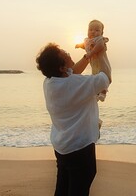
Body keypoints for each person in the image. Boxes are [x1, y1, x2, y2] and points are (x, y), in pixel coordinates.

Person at [36, 43, 110, 196]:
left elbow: (73, 71)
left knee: (63, 187)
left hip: (63, 146)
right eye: (66, 55)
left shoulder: (50, 82)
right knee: (78, 190)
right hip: (79, 148)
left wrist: (89, 54)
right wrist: (101, 52)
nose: (70, 55)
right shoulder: (74, 84)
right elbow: (106, 78)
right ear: (62, 68)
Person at [75, 19, 112, 102]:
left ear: (101, 33)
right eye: (90, 30)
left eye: (97, 30)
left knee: (104, 76)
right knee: (96, 77)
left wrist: (91, 53)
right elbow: (85, 46)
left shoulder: (100, 39)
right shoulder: (87, 40)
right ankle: (98, 93)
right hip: (95, 66)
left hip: (102, 64)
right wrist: (79, 45)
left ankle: (103, 92)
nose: (93, 32)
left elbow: (100, 46)